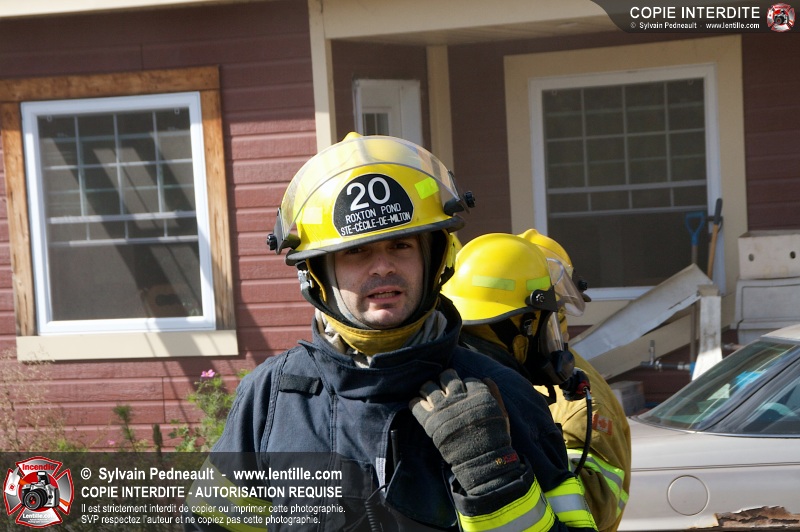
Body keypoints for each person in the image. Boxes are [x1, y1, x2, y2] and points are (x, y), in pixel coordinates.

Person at [186, 133, 597, 531]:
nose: (383, 266)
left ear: (433, 257)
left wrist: (496, 480)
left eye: (401, 245)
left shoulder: (503, 394)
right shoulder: (270, 399)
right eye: (356, 251)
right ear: (318, 272)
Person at [441, 231, 631, 532]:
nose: (556, 330)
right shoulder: (508, 393)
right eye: (549, 318)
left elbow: (600, 501)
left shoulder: (448, 377)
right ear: (526, 325)